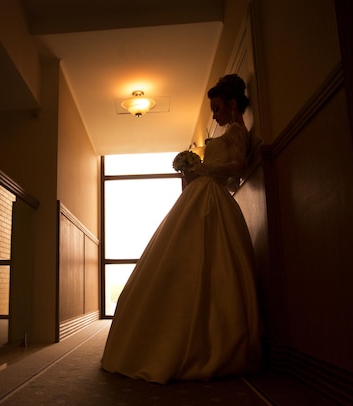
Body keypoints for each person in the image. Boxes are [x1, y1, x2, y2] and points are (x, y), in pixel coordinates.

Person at [101, 74, 261, 384]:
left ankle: (208, 343)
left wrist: (201, 168)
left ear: (231, 104)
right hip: (202, 195)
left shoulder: (238, 133)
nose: (214, 115)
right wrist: (195, 172)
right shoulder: (226, 134)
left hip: (214, 199)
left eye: (216, 108)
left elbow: (238, 167)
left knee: (211, 264)